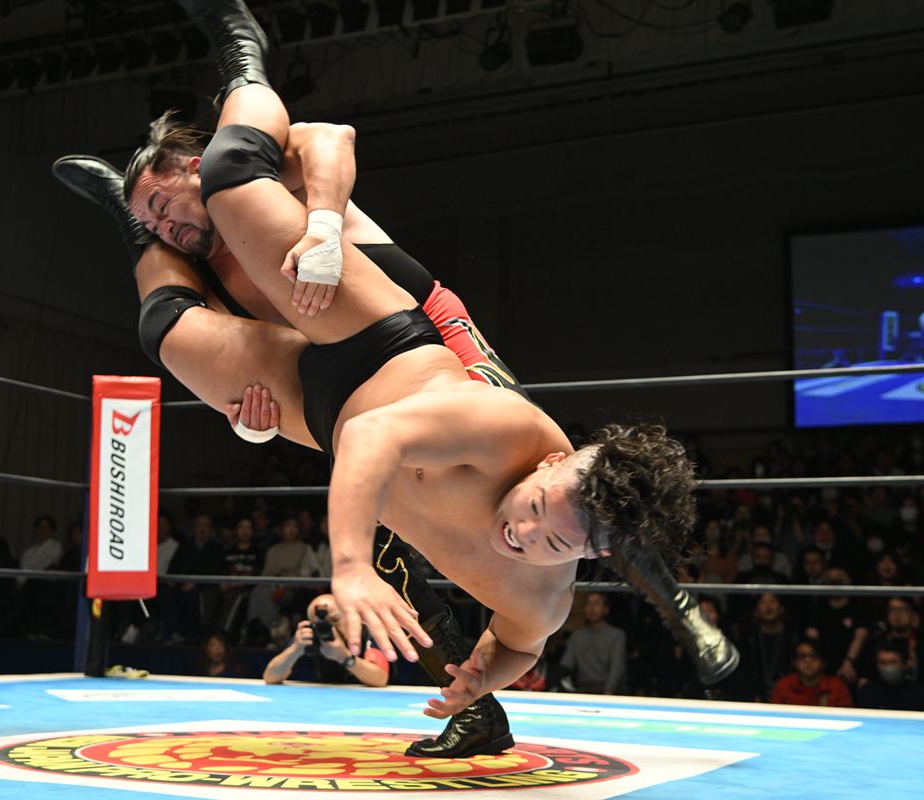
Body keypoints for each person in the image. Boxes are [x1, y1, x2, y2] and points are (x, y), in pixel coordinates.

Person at [61, 0, 735, 754]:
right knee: (233, 175)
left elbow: (524, 632)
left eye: (157, 214)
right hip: (385, 343)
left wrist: (484, 674)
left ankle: (503, 697)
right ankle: (239, 55)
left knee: (166, 332)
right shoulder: (237, 211)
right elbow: (330, 140)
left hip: (350, 389)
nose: (522, 534)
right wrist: (321, 224)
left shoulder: (541, 589)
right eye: (152, 220)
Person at [263, 594, 389, 687]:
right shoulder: (312, 634)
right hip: (328, 700)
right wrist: (295, 649)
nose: (331, 628)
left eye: (335, 620)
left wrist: (344, 657)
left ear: (349, 616)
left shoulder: (368, 630)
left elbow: (380, 679)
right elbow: (270, 677)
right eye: (322, 623)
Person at [558, 593, 627, 694]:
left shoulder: (616, 635)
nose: (592, 608)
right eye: (588, 603)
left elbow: (617, 668)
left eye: (597, 603)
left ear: (606, 609)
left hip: (608, 690)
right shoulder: (577, 635)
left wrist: (608, 692)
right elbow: (566, 666)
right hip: (582, 689)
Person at [770, 639, 854, 708]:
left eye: (814, 656)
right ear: (795, 662)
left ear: (822, 661)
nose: (808, 661)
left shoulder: (837, 687)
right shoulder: (783, 685)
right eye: (802, 656)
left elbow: (847, 717)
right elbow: (773, 716)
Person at [855, 640, 924, 711]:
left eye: (892, 662)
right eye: (882, 662)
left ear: (905, 664)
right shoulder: (868, 692)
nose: (887, 668)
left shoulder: (921, 694)